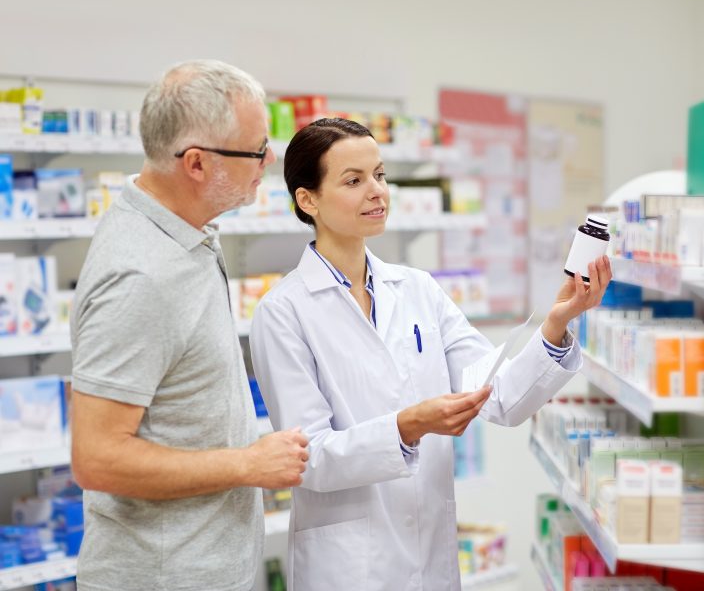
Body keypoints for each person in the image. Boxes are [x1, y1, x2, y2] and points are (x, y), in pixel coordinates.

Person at [250, 117, 612, 590]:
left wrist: (557, 323)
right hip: (349, 568)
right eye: (354, 180)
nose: (377, 191)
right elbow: (307, 457)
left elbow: (498, 395)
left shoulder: (417, 288)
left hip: (431, 558)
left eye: (379, 175)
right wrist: (408, 426)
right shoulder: (283, 311)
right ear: (308, 199)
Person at [69, 59, 309, 591]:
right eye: (255, 150)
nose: (269, 159)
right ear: (196, 164)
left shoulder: (185, 233)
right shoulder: (142, 274)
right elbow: (97, 458)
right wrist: (247, 464)